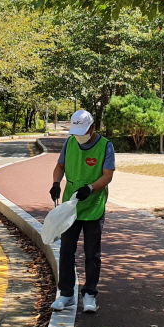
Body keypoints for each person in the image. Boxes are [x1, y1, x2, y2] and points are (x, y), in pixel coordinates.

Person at [49, 110, 115, 313]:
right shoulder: (70, 143)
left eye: (82, 132)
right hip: (71, 205)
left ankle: (89, 294)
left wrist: (90, 188)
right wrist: (56, 183)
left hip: (93, 205)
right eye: (76, 132)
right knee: (66, 250)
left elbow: (107, 176)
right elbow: (60, 166)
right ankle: (67, 294)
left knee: (92, 253)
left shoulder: (105, 146)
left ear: (93, 128)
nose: (79, 137)